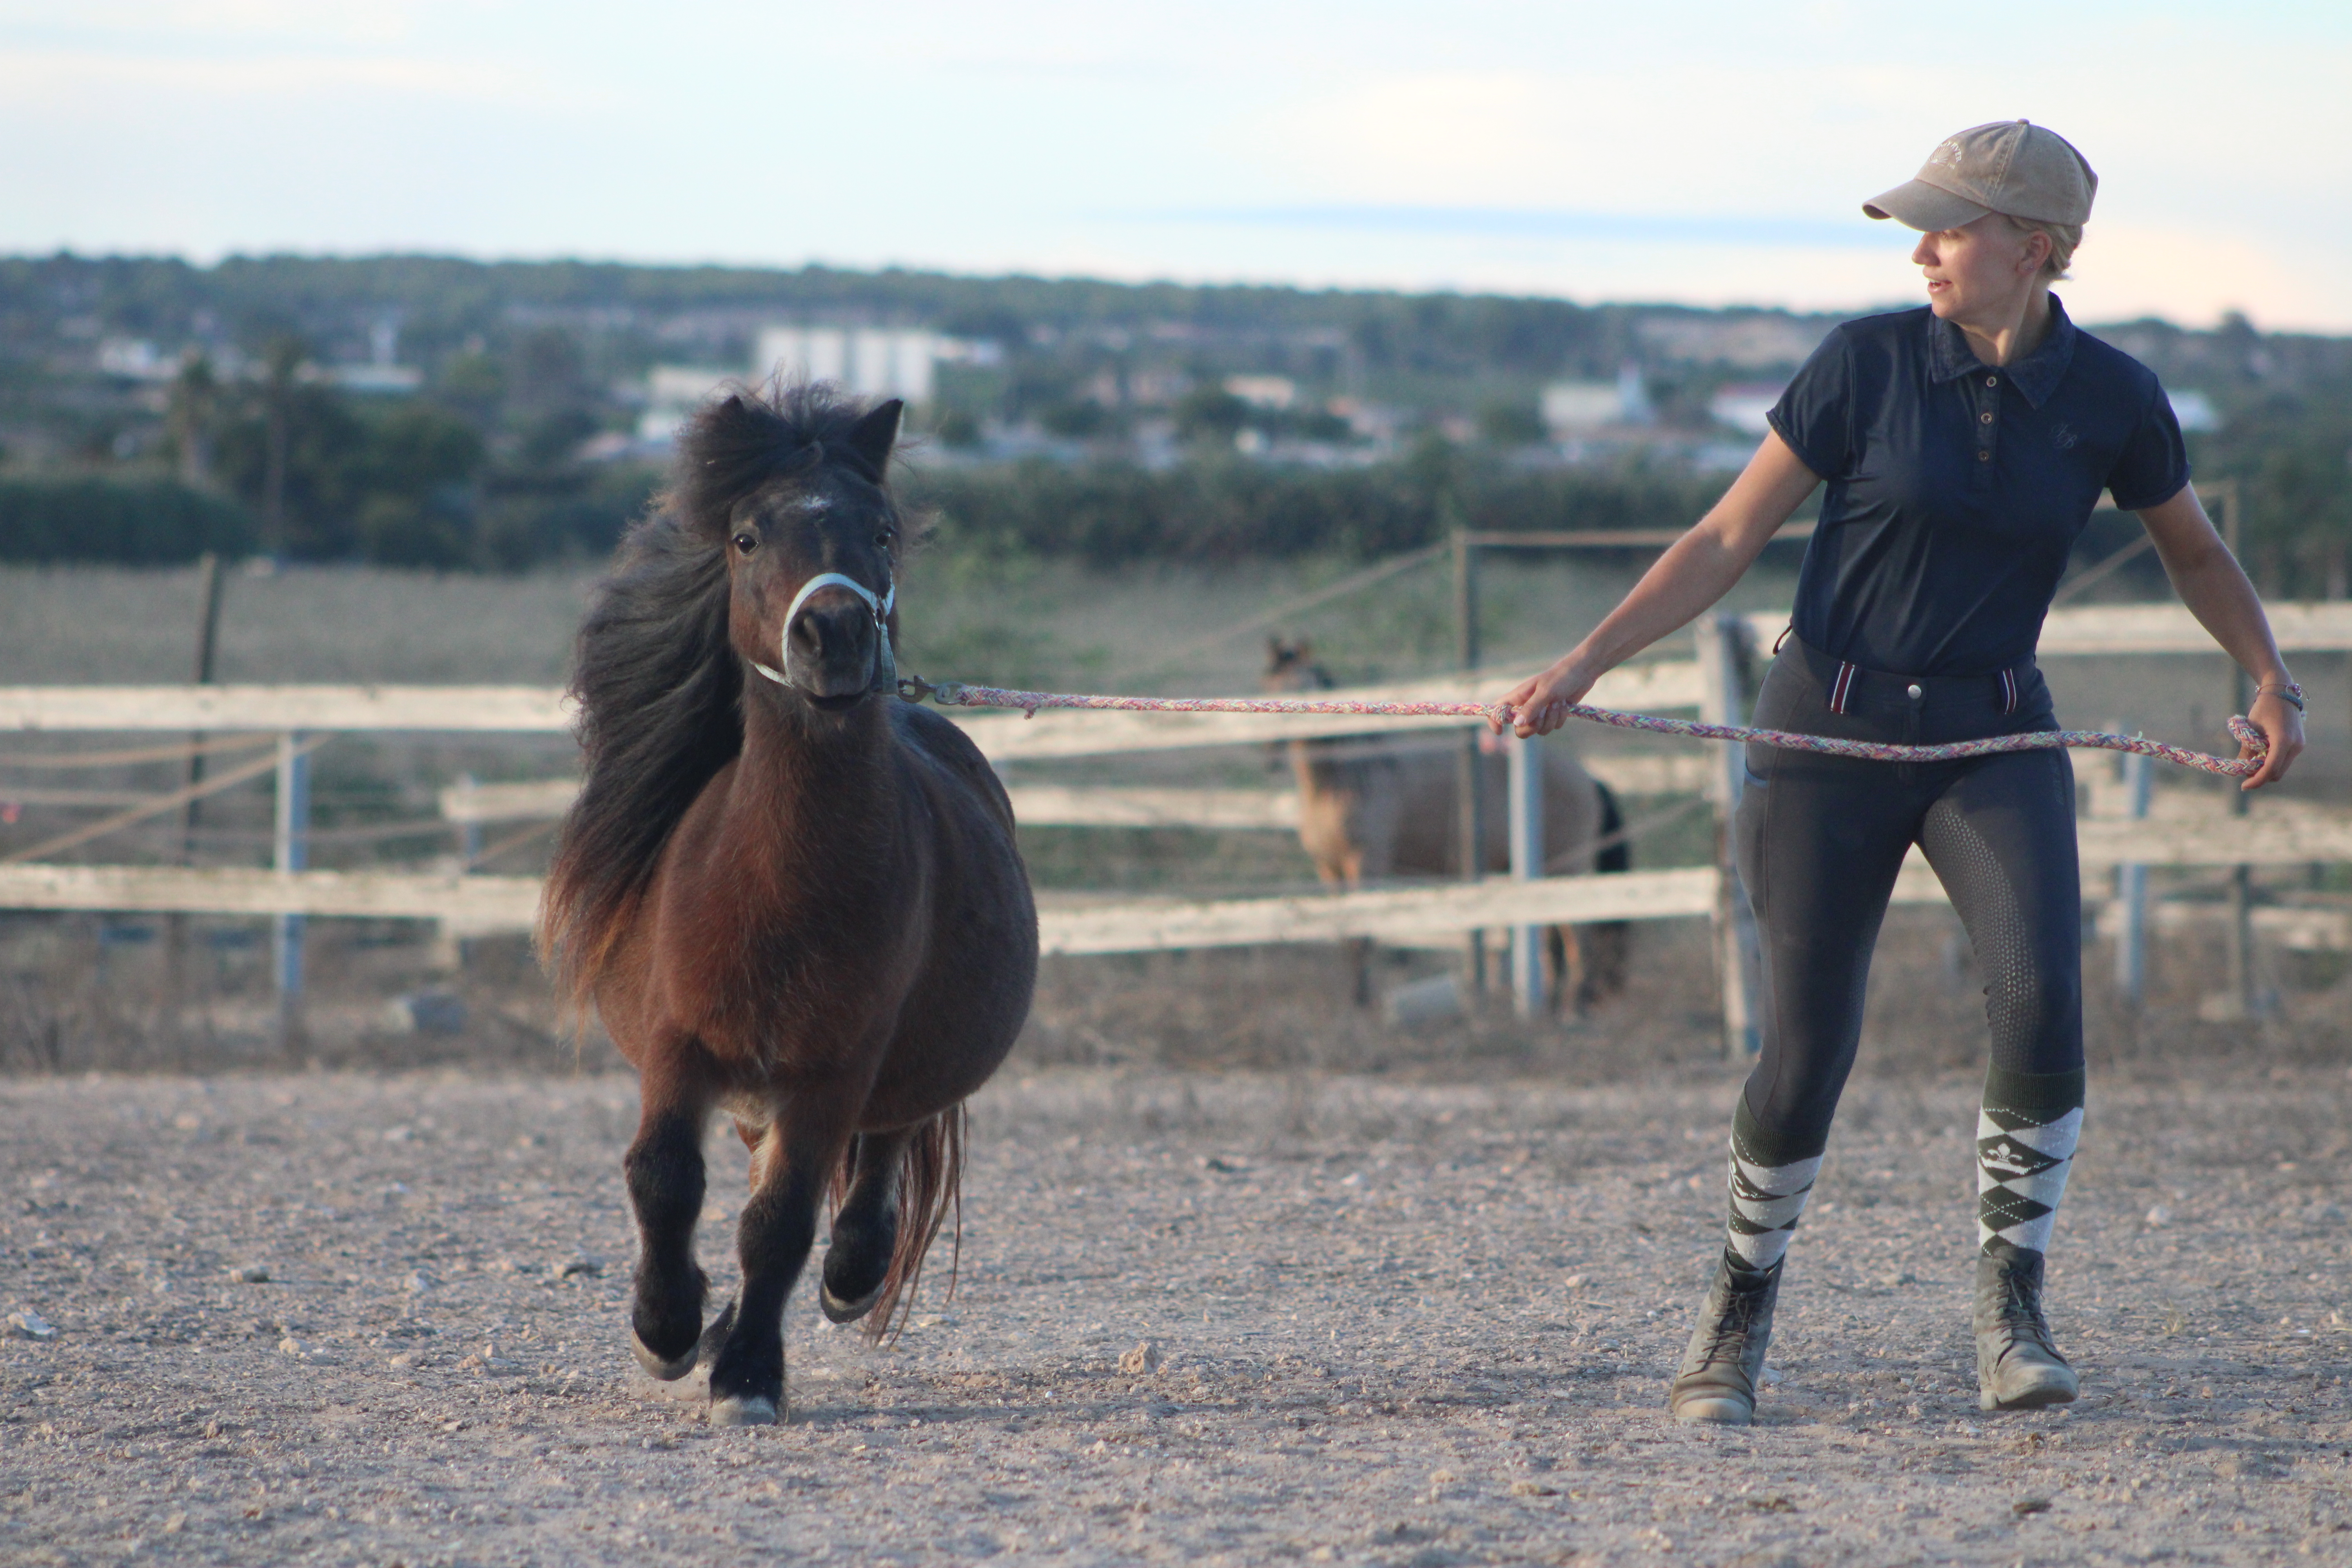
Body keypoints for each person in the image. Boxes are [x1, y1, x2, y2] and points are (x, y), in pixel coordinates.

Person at [1496, 120, 2306, 1425]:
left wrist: (2272, 677)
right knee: (1809, 1044)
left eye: (1951, 226)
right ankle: (1737, 1317)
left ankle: (2012, 1309)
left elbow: (2197, 554)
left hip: (1993, 735)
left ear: (2034, 248)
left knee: (2042, 998)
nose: (1923, 249)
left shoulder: (2114, 400)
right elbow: (1723, 536)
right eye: (1919, 228)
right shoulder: (1863, 365)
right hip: (1827, 731)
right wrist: (1585, 663)